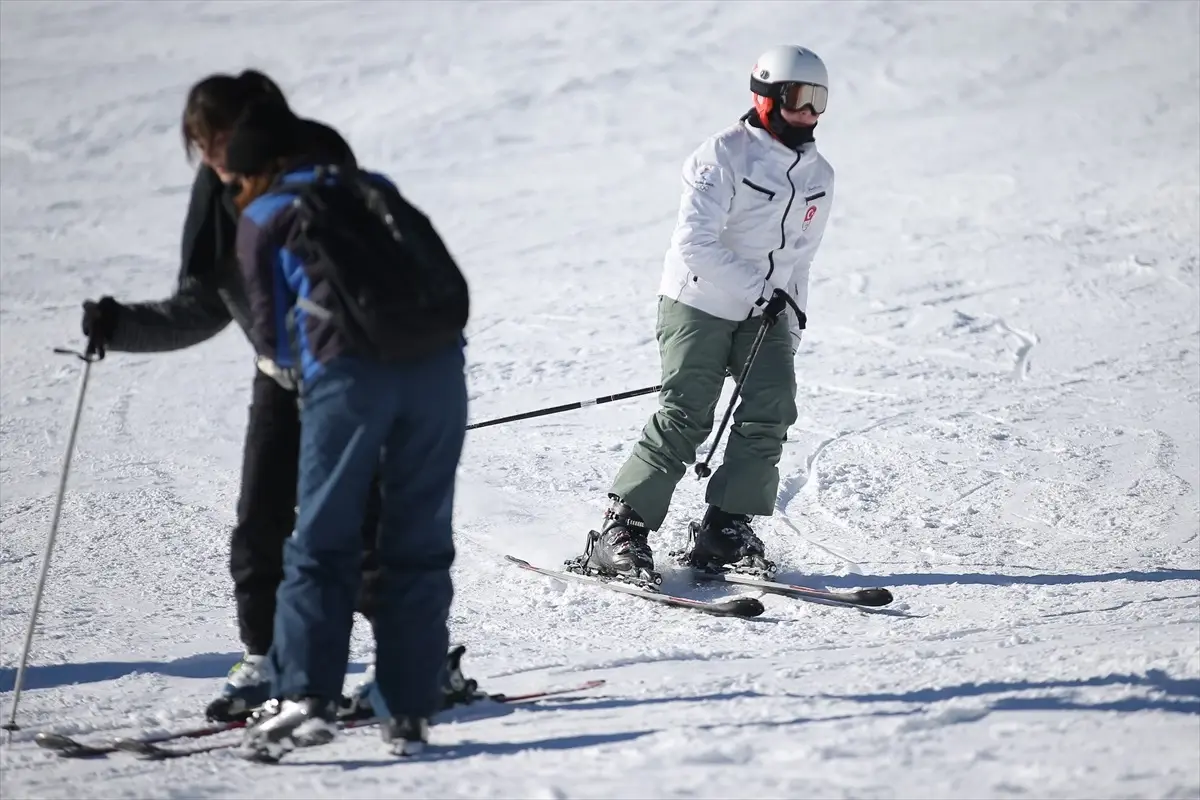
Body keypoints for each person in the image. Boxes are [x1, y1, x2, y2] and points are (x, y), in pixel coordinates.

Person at [77, 69, 386, 721]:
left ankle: (411, 657)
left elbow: (360, 272)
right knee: (259, 524)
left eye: (217, 137)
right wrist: (121, 325)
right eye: (200, 142)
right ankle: (267, 655)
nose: (212, 155)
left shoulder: (316, 159)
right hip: (279, 378)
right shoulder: (218, 197)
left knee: (358, 524)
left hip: (345, 377)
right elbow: (204, 305)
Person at [223, 100, 468, 760]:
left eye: (235, 179)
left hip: (350, 377)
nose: (234, 190)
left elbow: (273, 341)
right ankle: (409, 712)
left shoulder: (265, 214)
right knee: (418, 542)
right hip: (441, 372)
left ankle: (304, 699)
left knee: (323, 539)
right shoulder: (377, 187)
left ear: (259, 172)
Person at [573, 45, 835, 584]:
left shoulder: (820, 176)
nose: (809, 112)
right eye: (798, 98)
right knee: (687, 411)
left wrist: (793, 319)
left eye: (820, 100)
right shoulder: (722, 155)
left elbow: (800, 258)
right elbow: (695, 244)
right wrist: (763, 291)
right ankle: (623, 528)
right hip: (699, 301)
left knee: (772, 408)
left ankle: (725, 526)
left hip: (767, 313)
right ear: (765, 97)